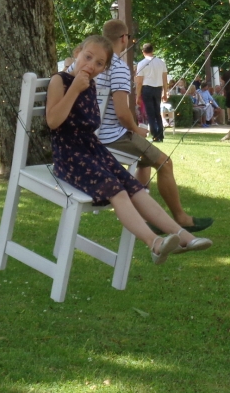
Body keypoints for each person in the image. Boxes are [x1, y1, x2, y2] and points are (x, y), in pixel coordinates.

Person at [49, 35, 212, 264]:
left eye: (99, 63)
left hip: (93, 150)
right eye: (87, 57)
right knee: (116, 190)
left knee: (135, 187)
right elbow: (53, 121)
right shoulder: (60, 81)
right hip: (69, 155)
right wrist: (74, 90)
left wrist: (81, 88)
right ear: (77, 53)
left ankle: (184, 236)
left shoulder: (90, 85)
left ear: (104, 68)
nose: (91, 65)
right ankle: (155, 243)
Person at [97, 20, 211, 232]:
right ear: (124, 38)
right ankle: (181, 218)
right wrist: (136, 129)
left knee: (145, 162)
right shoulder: (118, 67)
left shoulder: (89, 62)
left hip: (91, 133)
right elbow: (122, 113)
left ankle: (146, 218)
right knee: (165, 163)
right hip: (110, 136)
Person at [135, 43, 169, 143]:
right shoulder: (161, 62)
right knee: (157, 113)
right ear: (153, 50)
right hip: (158, 88)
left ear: (143, 52)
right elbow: (165, 79)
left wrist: (138, 95)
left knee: (150, 113)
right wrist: (165, 92)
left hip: (147, 89)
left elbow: (139, 82)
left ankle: (155, 135)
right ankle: (160, 135)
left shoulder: (141, 63)